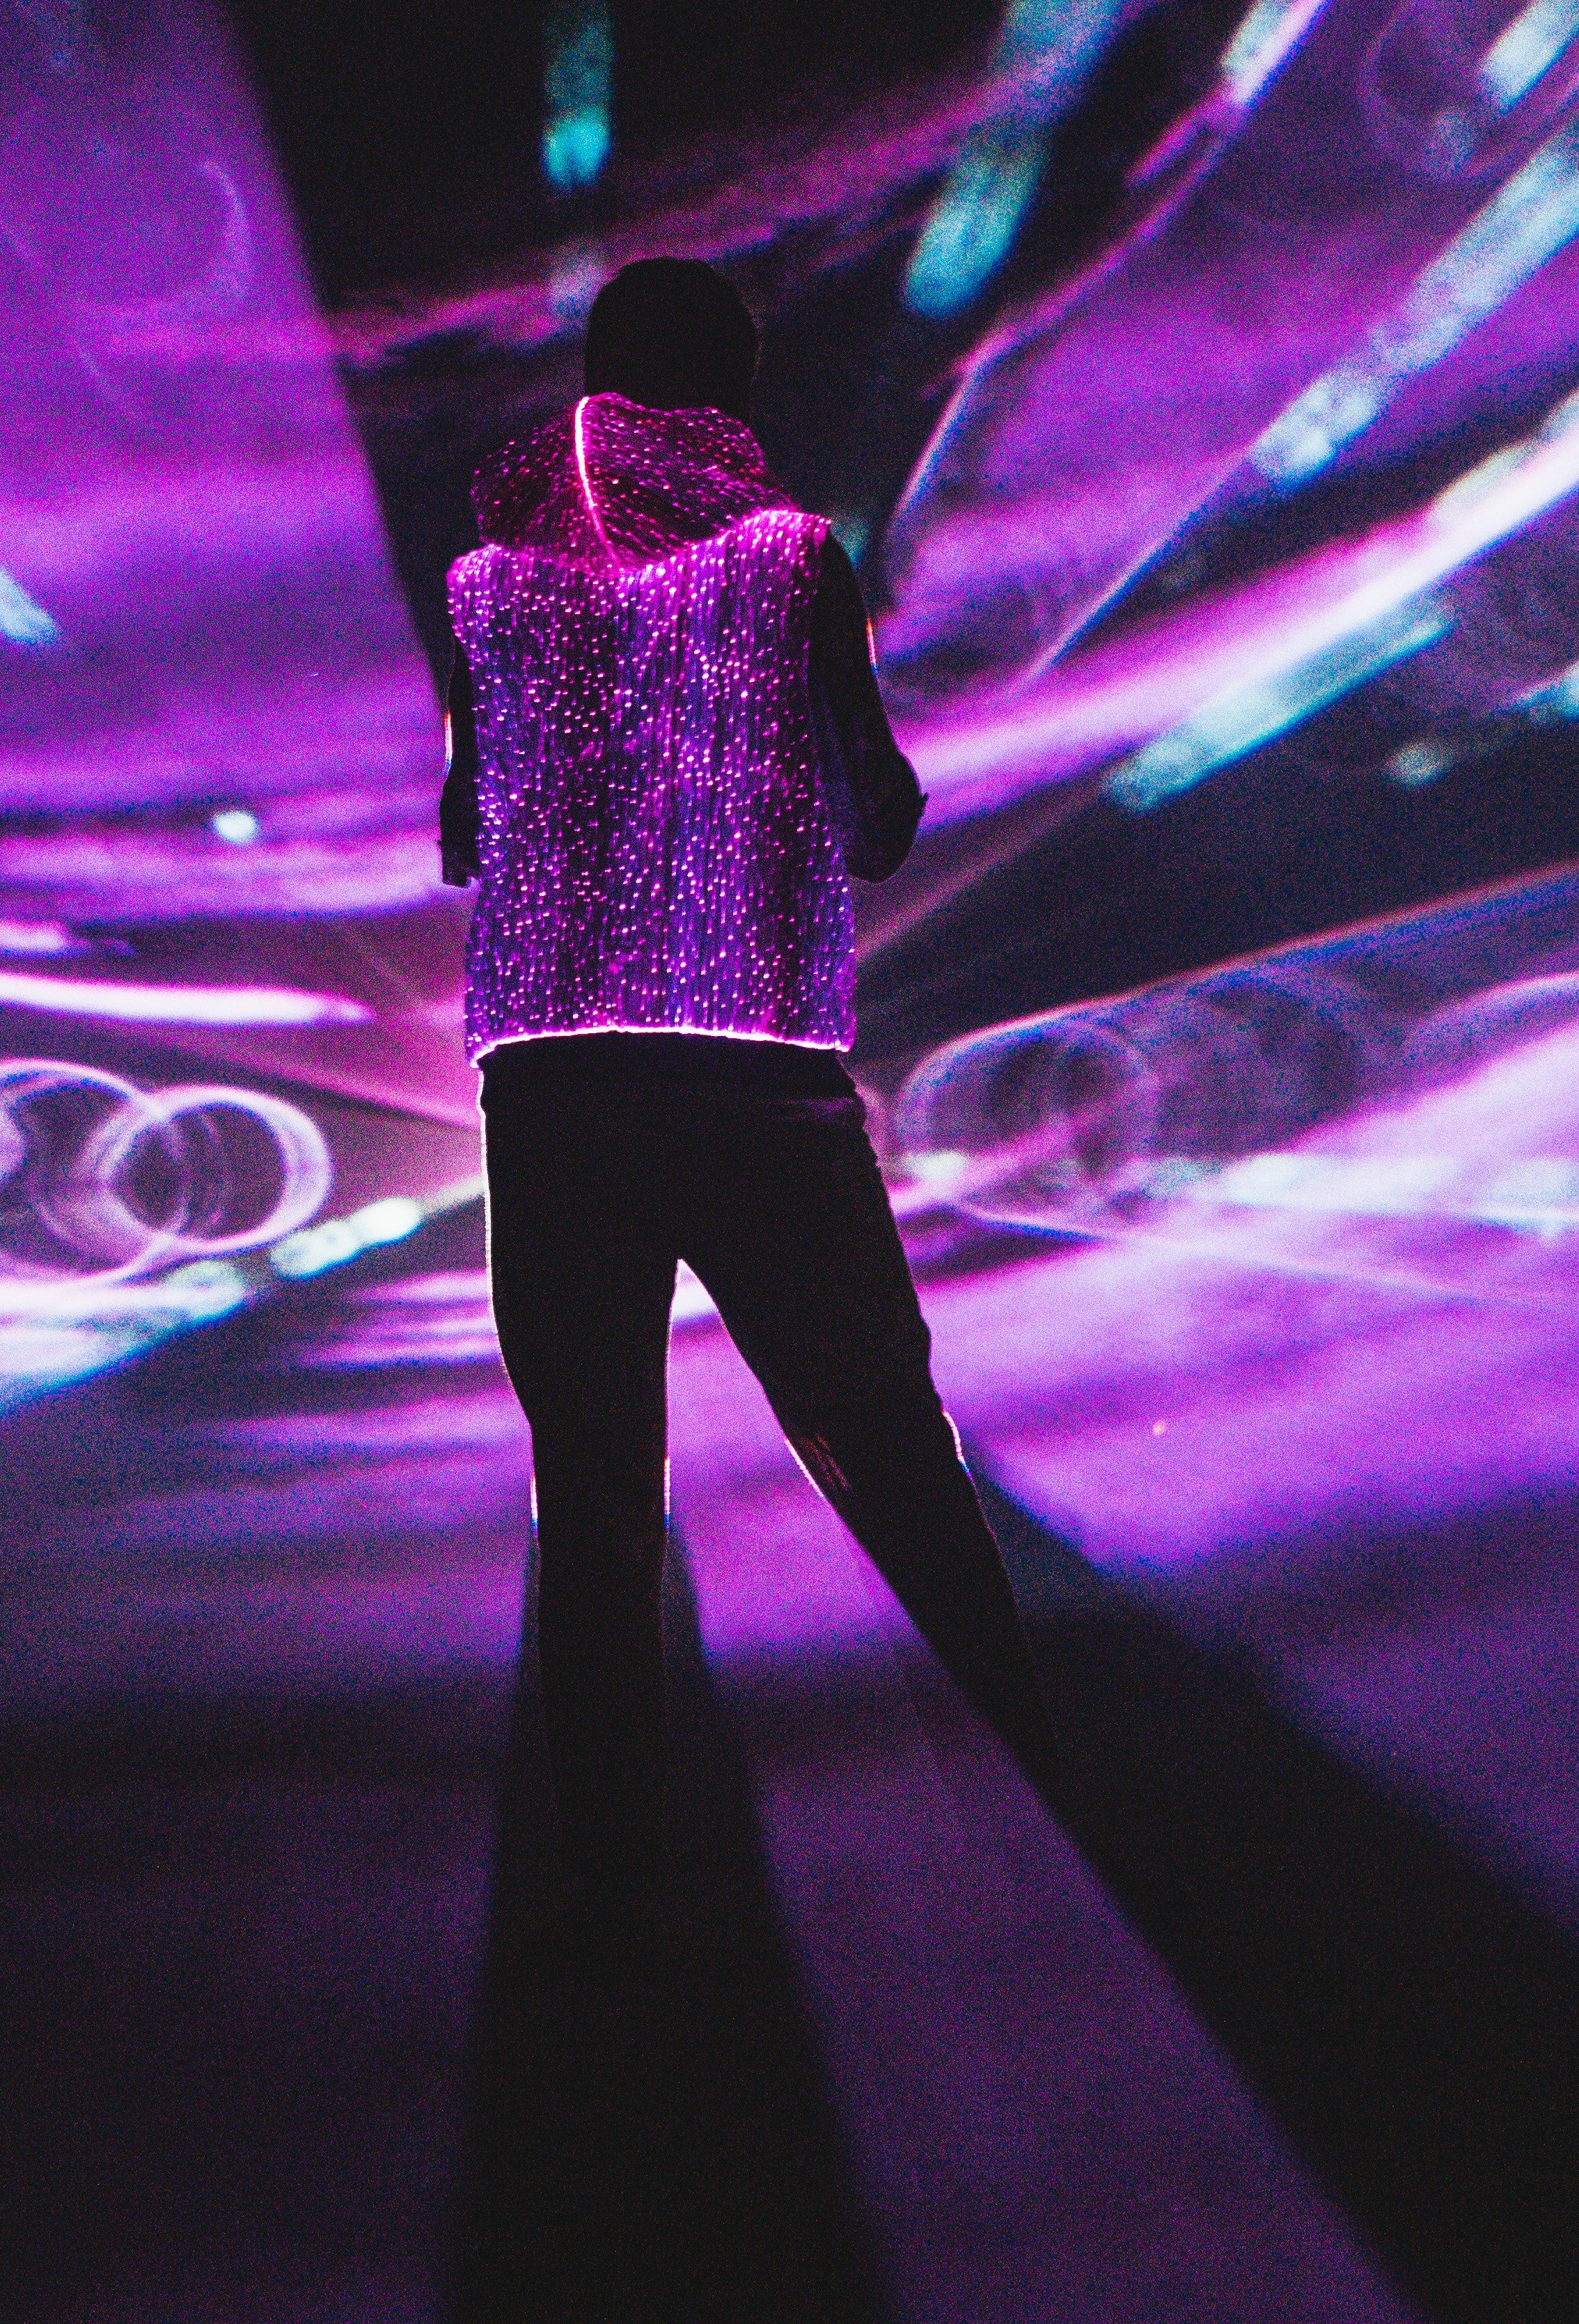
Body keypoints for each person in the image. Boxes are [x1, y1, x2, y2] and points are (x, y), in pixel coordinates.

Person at [441, 257, 1057, 1959]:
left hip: (553, 1075)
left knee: (592, 1481)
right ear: (726, 398)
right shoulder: (790, 562)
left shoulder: (485, 587)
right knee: (883, 1436)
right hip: (750, 1064)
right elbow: (875, 823)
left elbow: (463, 835)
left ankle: (611, 1888)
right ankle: (1032, 1772)